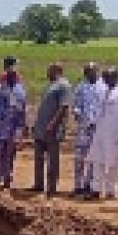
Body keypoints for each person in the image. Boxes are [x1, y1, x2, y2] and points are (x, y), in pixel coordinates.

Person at [87, 67, 118, 201]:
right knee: (97, 160)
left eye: (107, 78)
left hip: (115, 133)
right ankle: (96, 189)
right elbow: (99, 109)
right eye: (104, 78)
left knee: (113, 163)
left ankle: (110, 190)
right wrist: (93, 123)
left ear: (115, 77)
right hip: (100, 131)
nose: (105, 81)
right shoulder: (103, 89)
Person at [31, 63, 73, 196]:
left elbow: (63, 107)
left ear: (56, 71)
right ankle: (38, 184)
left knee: (52, 159)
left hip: (52, 129)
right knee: (38, 158)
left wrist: (53, 124)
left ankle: (51, 187)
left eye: (49, 70)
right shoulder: (50, 85)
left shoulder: (64, 85)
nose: (47, 73)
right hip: (41, 127)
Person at [71, 64, 107, 195]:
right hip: (84, 127)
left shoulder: (104, 87)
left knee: (94, 157)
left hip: (98, 128)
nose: (89, 74)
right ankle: (78, 185)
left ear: (97, 71)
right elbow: (76, 104)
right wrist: (77, 114)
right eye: (87, 72)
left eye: (91, 72)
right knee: (79, 157)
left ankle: (89, 184)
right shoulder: (81, 87)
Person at [0, 68, 27, 188]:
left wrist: (22, 128)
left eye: (13, 77)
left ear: (16, 78)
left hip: (13, 127)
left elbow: (22, 111)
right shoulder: (1, 90)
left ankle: (7, 176)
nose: (10, 79)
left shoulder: (20, 91)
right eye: (9, 77)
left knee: (10, 153)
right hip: (1, 126)